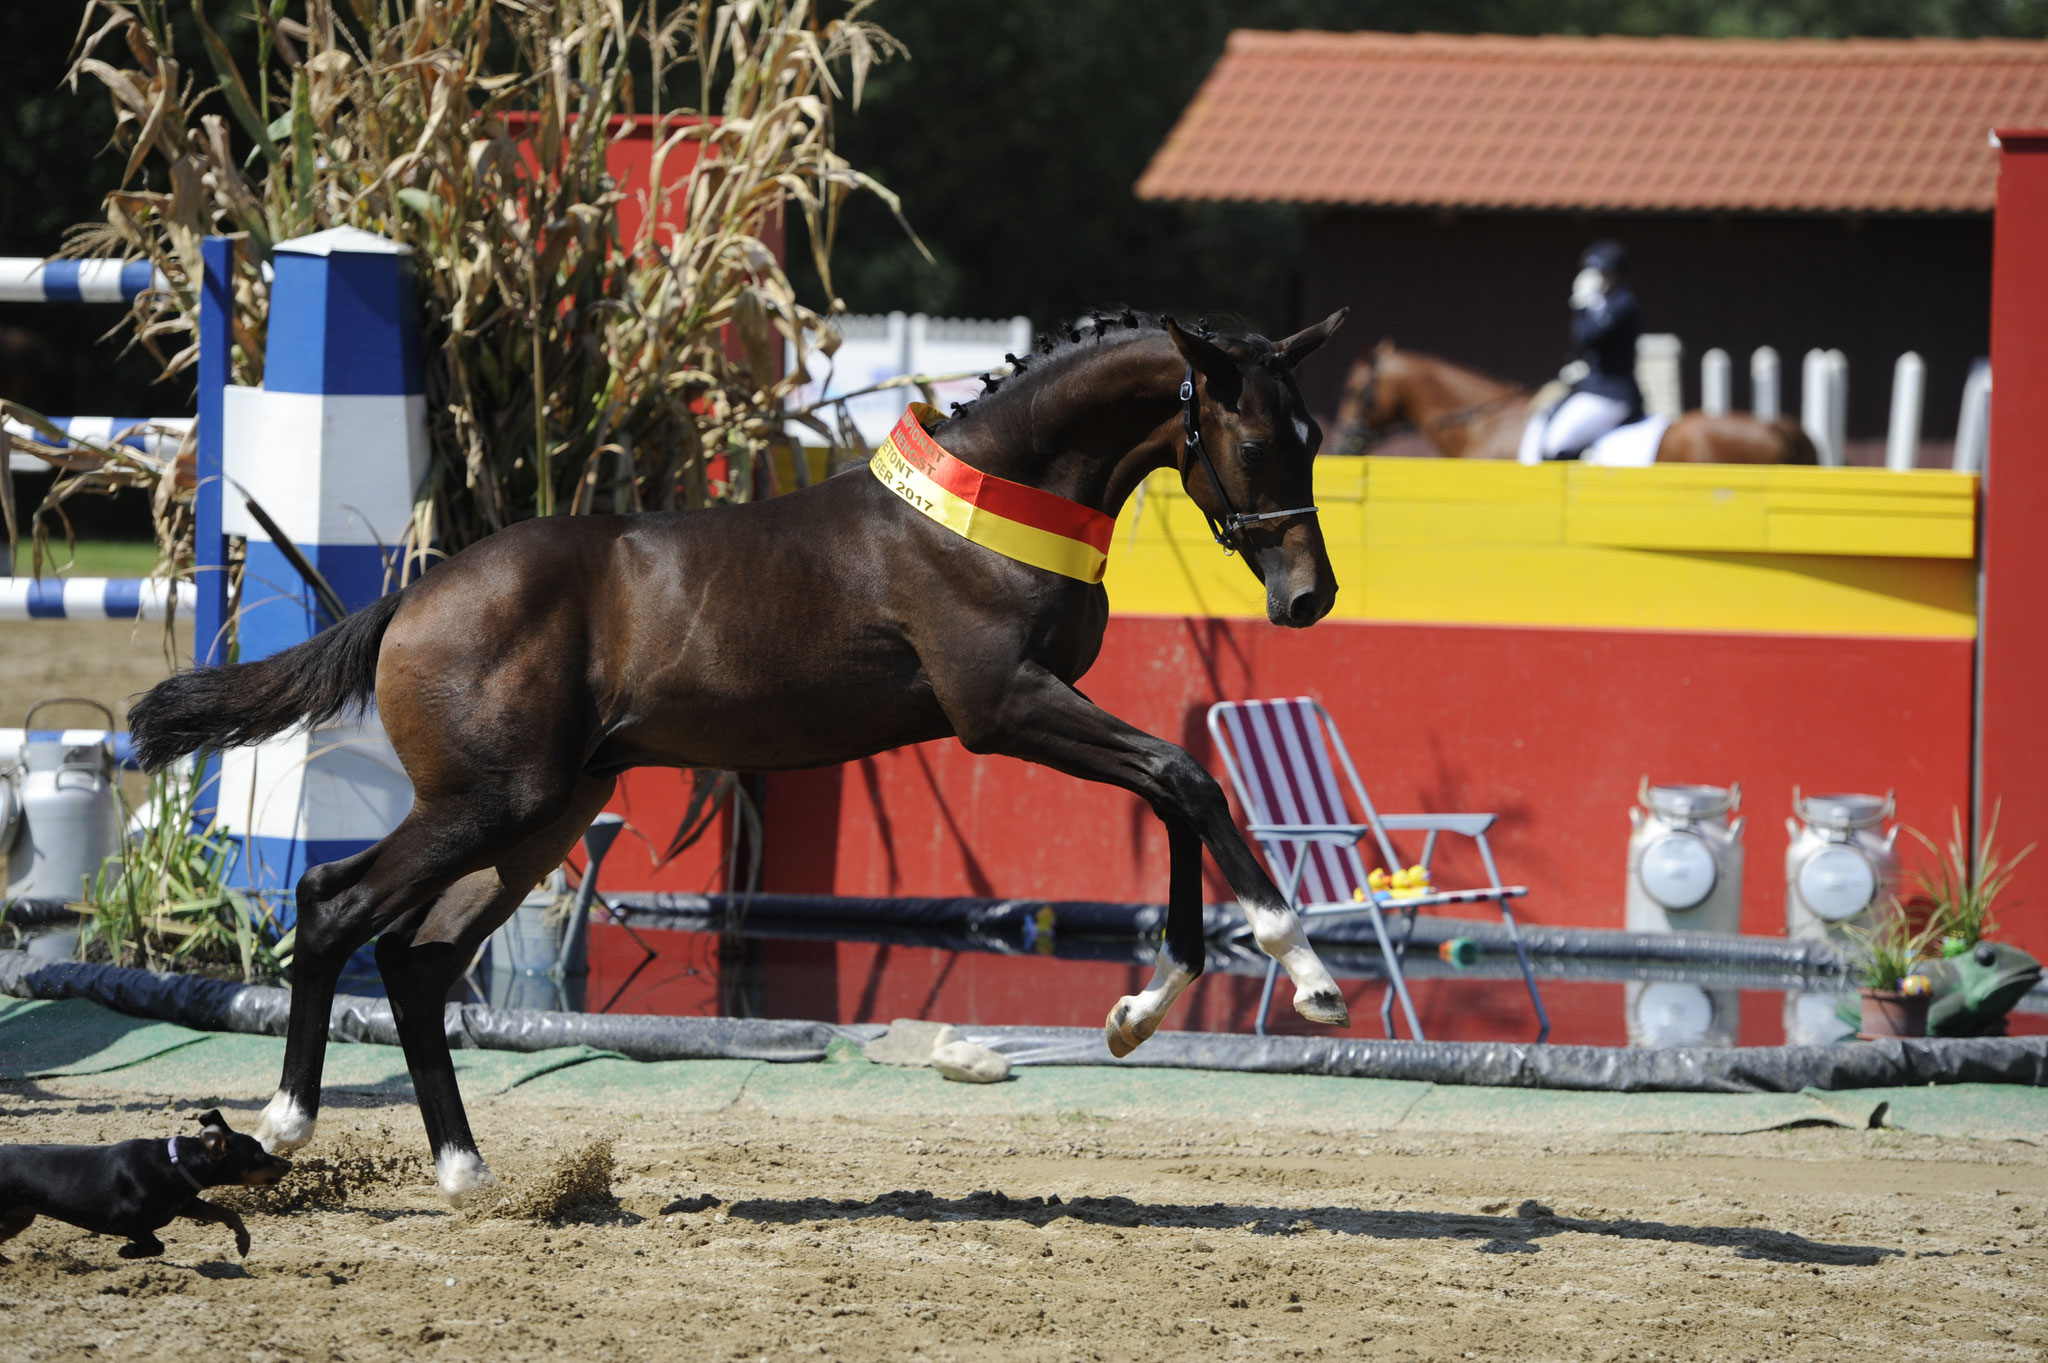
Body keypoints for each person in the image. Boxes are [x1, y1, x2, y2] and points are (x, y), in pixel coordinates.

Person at [1518, 240, 1643, 463]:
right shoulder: (1603, 302)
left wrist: (1584, 305)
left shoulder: (1622, 302)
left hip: (1611, 394)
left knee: (1556, 443)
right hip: (1592, 387)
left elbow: (1587, 337)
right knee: (1546, 414)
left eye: (1603, 273)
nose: (1597, 278)